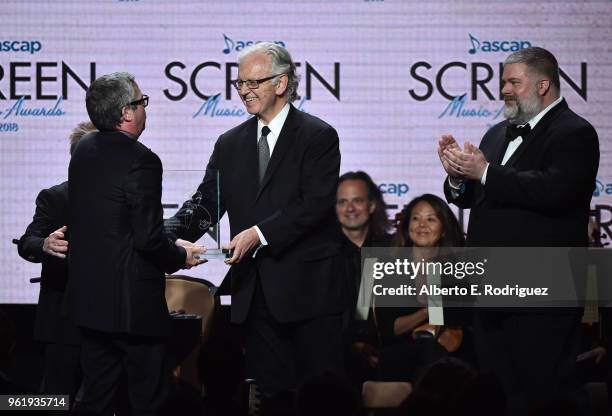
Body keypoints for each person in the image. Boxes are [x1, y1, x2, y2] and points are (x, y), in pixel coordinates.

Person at [165, 42, 345, 405]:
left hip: (310, 294)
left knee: (319, 397)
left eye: (253, 82)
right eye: (239, 83)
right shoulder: (230, 143)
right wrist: (160, 236)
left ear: (281, 84)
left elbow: (313, 205)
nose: (244, 91)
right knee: (270, 393)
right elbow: (205, 205)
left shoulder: (318, 136)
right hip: (257, 294)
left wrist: (259, 234)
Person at [438, 47, 599, 414]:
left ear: (543, 84)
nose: (504, 89)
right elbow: (475, 196)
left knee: (542, 392)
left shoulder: (575, 133)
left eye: (513, 81)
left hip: (544, 292)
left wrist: (484, 173)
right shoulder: (496, 133)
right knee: (496, 391)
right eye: (503, 82)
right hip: (492, 288)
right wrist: (458, 178)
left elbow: (553, 191)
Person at [65, 72, 204, 416]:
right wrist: (180, 256)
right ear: (127, 112)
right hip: (134, 312)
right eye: (142, 102)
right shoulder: (142, 159)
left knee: (95, 397)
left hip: (92, 306)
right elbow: (147, 238)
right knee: (149, 401)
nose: (145, 108)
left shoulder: (84, 150)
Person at [17, 121, 96, 398]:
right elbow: (28, 241)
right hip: (63, 321)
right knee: (55, 399)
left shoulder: (123, 198)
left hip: (109, 320)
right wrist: (45, 245)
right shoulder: (55, 198)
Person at [375, 194, 468, 382]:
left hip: (448, 350)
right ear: (408, 226)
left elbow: (460, 320)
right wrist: (428, 311)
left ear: (443, 229)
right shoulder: (390, 268)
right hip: (400, 350)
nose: (422, 225)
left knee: (437, 357)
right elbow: (389, 329)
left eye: (431, 219)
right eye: (416, 218)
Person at [335, 171, 392, 384]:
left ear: (372, 205)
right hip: (337, 357)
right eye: (342, 202)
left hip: (388, 353)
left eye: (357, 201)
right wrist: (350, 345)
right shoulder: (323, 256)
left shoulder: (393, 250)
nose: (350, 209)